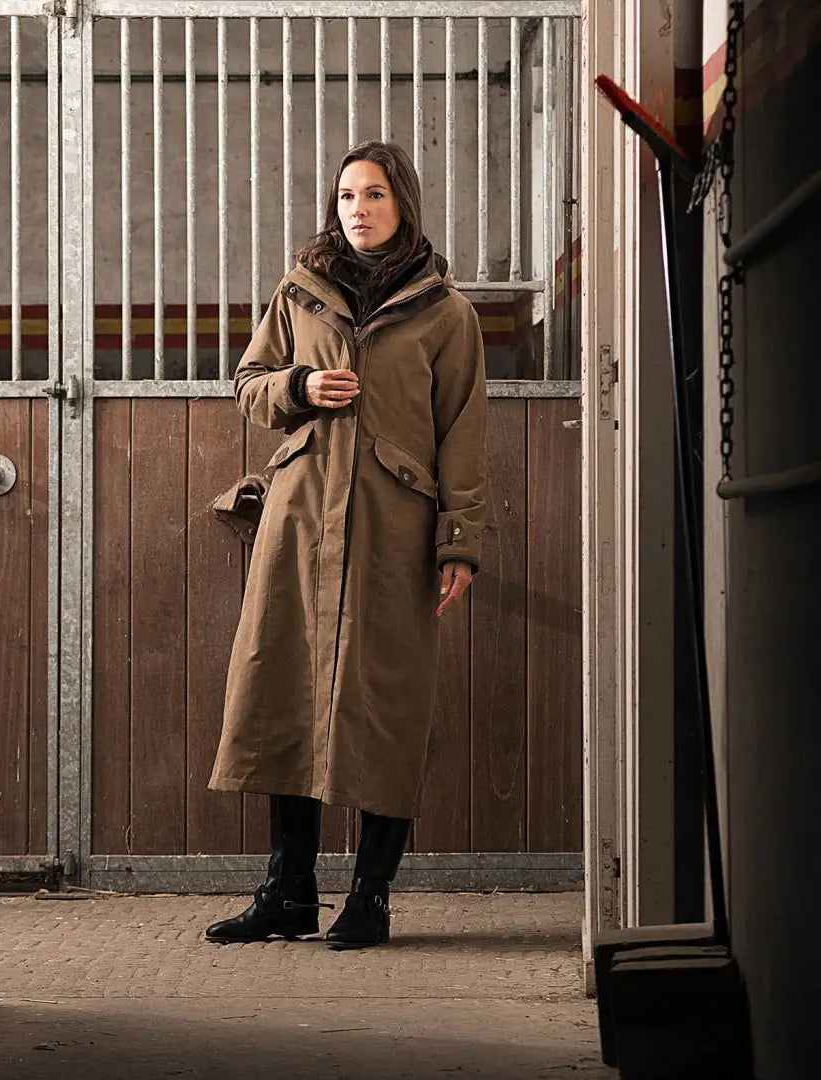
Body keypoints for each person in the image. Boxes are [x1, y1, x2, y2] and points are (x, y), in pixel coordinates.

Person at [206, 141, 487, 949]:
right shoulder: (298, 294)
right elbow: (249, 385)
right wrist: (299, 386)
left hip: (395, 529)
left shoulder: (446, 312)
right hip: (300, 523)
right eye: (344, 197)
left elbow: (462, 433)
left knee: (386, 705)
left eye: (372, 195)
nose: (356, 210)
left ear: (404, 202)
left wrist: (458, 542)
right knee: (283, 693)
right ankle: (288, 893)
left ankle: (371, 896)